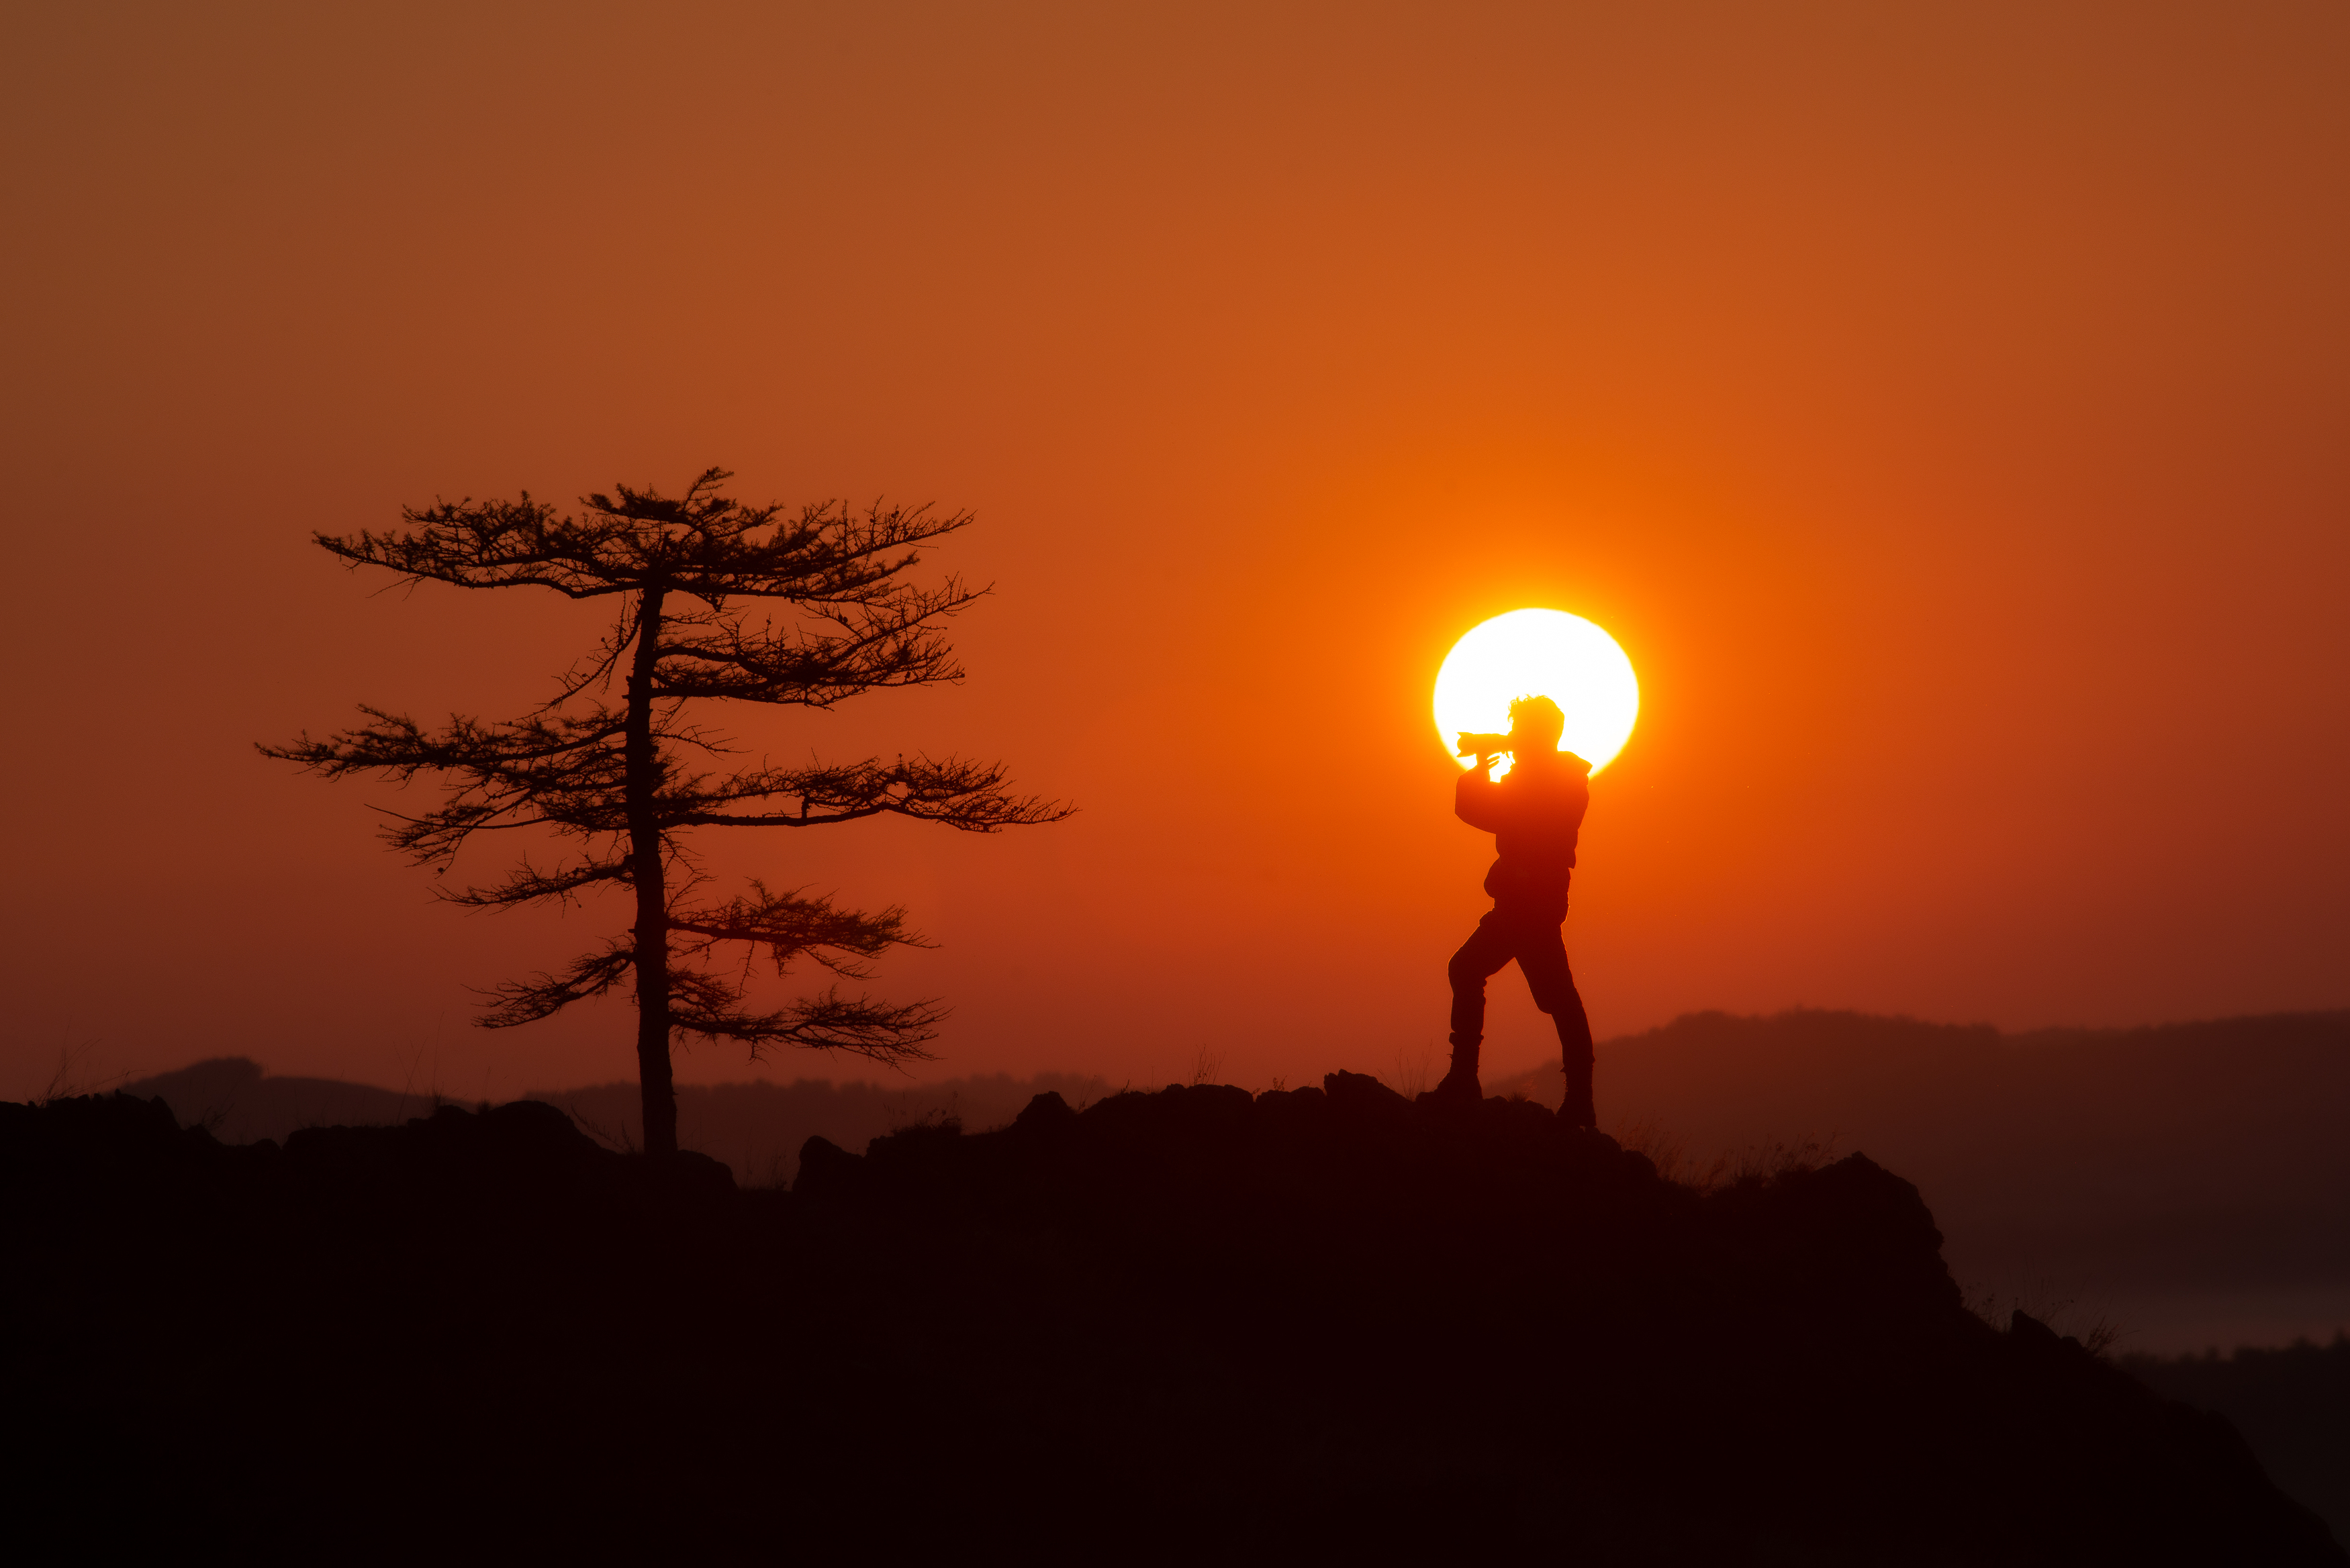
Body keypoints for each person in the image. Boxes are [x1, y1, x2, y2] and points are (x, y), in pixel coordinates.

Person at [1438, 694, 1598, 1126]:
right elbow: (1483, 810)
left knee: (1547, 995)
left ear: (1538, 733)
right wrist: (1489, 760)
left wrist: (1484, 764)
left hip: (1531, 903)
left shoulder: (1555, 780)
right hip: (1526, 902)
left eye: (1520, 729)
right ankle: (1577, 1099)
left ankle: (1468, 1081)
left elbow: (1490, 812)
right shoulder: (1547, 773)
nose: (1514, 736)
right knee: (1552, 996)